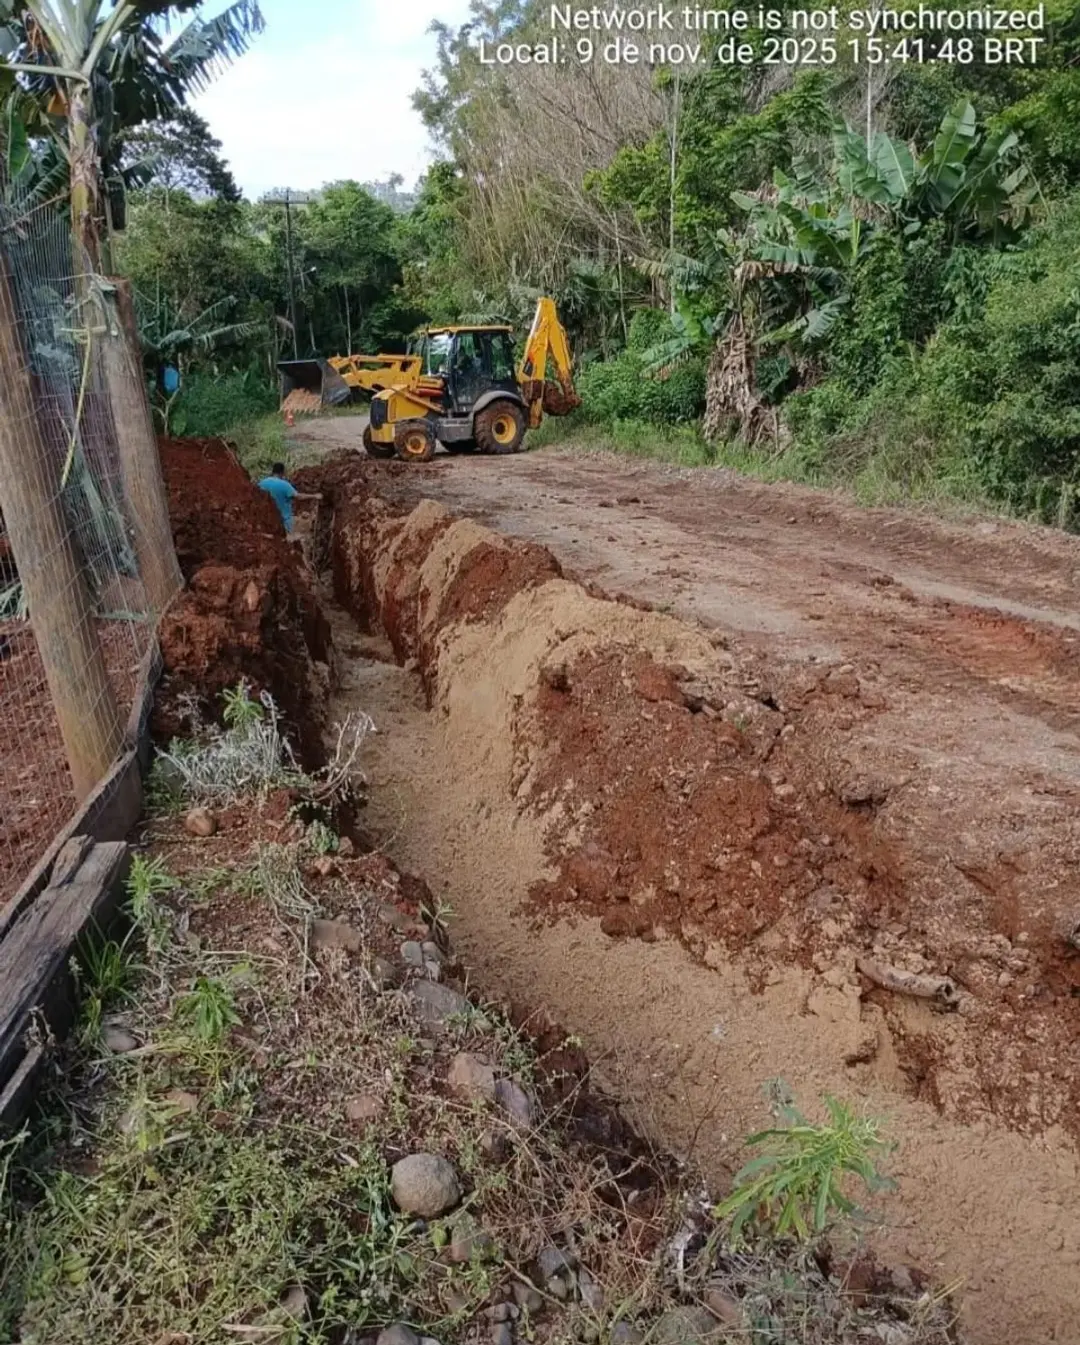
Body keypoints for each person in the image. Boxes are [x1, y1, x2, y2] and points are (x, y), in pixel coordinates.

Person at [258, 463, 319, 538]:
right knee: (287, 542)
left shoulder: (262, 483)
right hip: (285, 521)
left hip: (267, 521)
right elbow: (298, 497)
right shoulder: (285, 485)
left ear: (273, 471)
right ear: (282, 472)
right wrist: (314, 496)